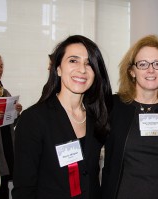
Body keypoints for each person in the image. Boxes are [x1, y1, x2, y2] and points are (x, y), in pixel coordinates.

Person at [12, 35, 112, 199]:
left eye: (89, 63)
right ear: (58, 68)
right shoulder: (33, 119)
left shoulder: (97, 116)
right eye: (73, 60)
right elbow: (24, 188)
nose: (82, 69)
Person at [101, 35, 158, 199]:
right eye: (143, 64)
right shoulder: (113, 107)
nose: (151, 70)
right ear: (132, 71)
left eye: (157, 64)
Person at [0, 53, 22, 199]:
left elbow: (11, 122)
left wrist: (16, 113)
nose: (0, 69)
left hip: (6, 145)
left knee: (3, 188)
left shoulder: (5, 92)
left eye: (1, 66)